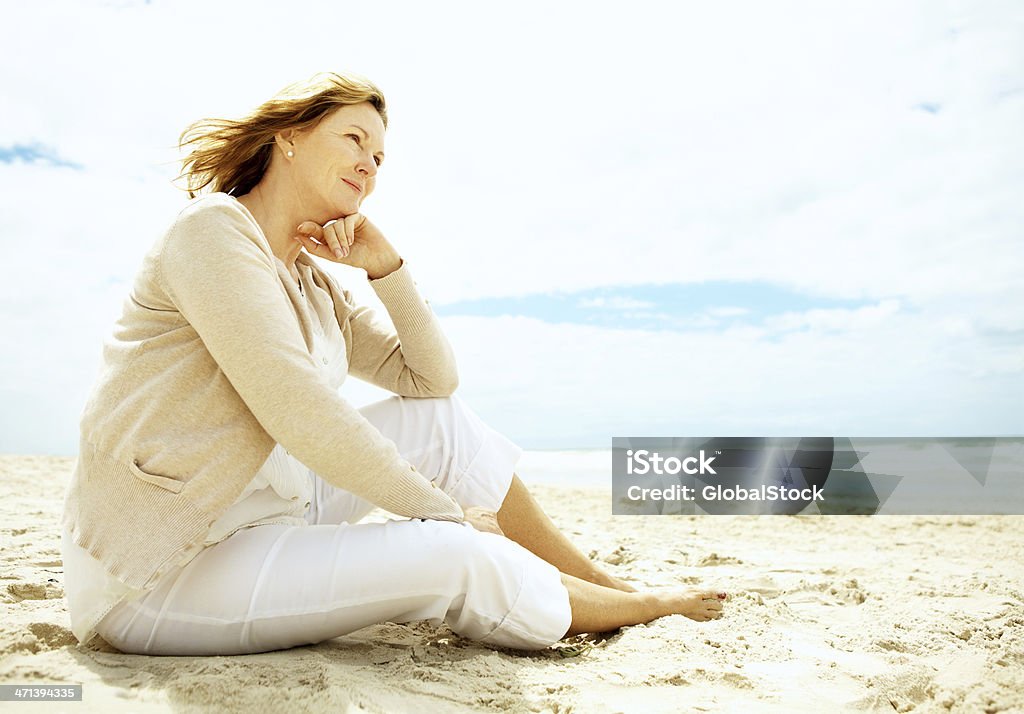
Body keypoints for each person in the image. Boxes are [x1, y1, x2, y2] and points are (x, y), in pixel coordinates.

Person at [59, 71, 727, 657]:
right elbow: (297, 407)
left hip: (269, 512)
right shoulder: (211, 231)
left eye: (380, 156)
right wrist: (445, 514)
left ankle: (609, 587)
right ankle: (635, 609)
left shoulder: (310, 283)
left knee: (443, 424)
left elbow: (432, 382)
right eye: (354, 140)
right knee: (456, 553)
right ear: (289, 135)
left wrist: (386, 268)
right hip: (166, 566)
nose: (370, 165)